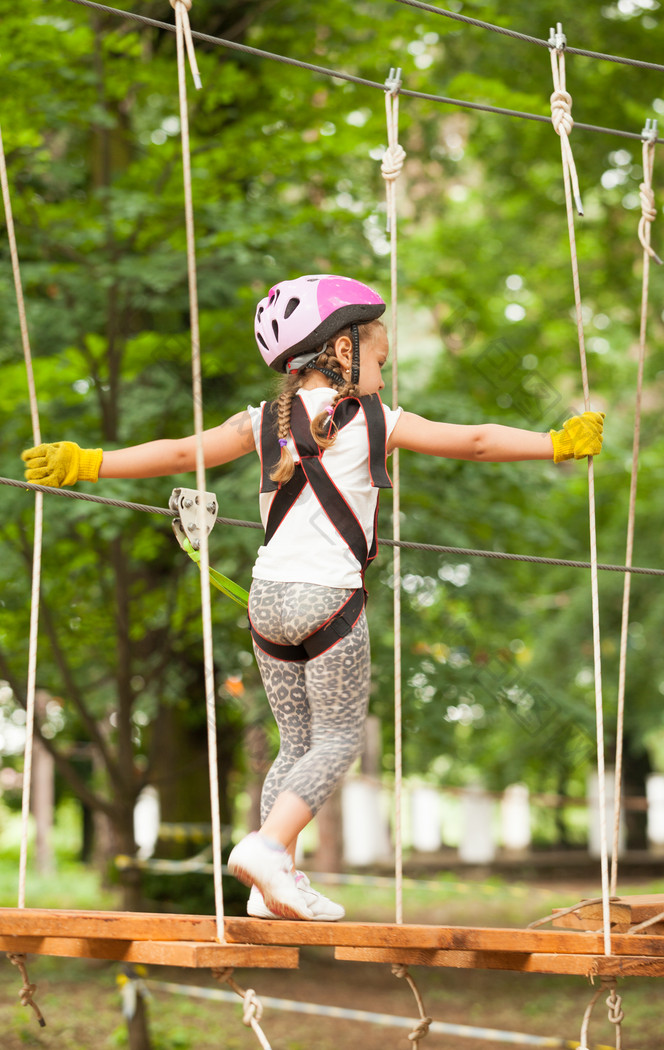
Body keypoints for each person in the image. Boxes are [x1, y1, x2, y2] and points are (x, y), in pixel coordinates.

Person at [21, 273, 604, 922]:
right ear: (345, 351)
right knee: (337, 740)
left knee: (295, 743)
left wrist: (88, 461)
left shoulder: (262, 420)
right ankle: (270, 848)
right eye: (379, 356)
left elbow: (184, 452)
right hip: (327, 600)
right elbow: (475, 440)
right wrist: (555, 444)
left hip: (266, 602)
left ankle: (270, 884)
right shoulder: (376, 420)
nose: (384, 369)